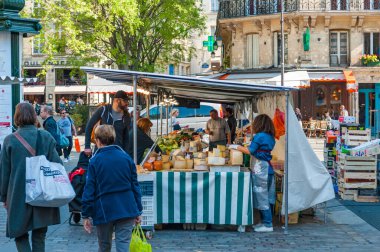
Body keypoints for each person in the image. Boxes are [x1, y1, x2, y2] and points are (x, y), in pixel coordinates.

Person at [0, 102, 62, 251]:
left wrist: (3, 197)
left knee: (19, 233)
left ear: (17, 117)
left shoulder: (10, 140)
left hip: (18, 194)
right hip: (43, 192)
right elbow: (57, 164)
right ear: (34, 116)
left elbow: (4, 173)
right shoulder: (45, 136)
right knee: (39, 235)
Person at [82, 125, 142, 251]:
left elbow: (89, 190)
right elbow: (135, 186)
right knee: (123, 245)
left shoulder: (95, 161)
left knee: (104, 246)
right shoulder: (126, 158)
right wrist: (138, 210)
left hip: (104, 208)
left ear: (97, 140)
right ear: (113, 138)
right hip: (127, 207)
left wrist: (86, 214)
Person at [229, 114, 276, 232]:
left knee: (261, 196)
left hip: (261, 169)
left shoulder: (259, 136)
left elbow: (250, 151)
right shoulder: (270, 136)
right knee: (267, 197)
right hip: (268, 168)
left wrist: (236, 147)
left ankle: (268, 224)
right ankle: (264, 222)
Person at [84, 90, 131, 156]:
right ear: (118, 100)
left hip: (117, 153)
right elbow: (89, 126)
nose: (127, 103)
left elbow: (126, 138)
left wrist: (126, 154)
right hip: (101, 151)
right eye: (125, 101)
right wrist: (87, 146)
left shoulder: (126, 116)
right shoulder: (103, 110)